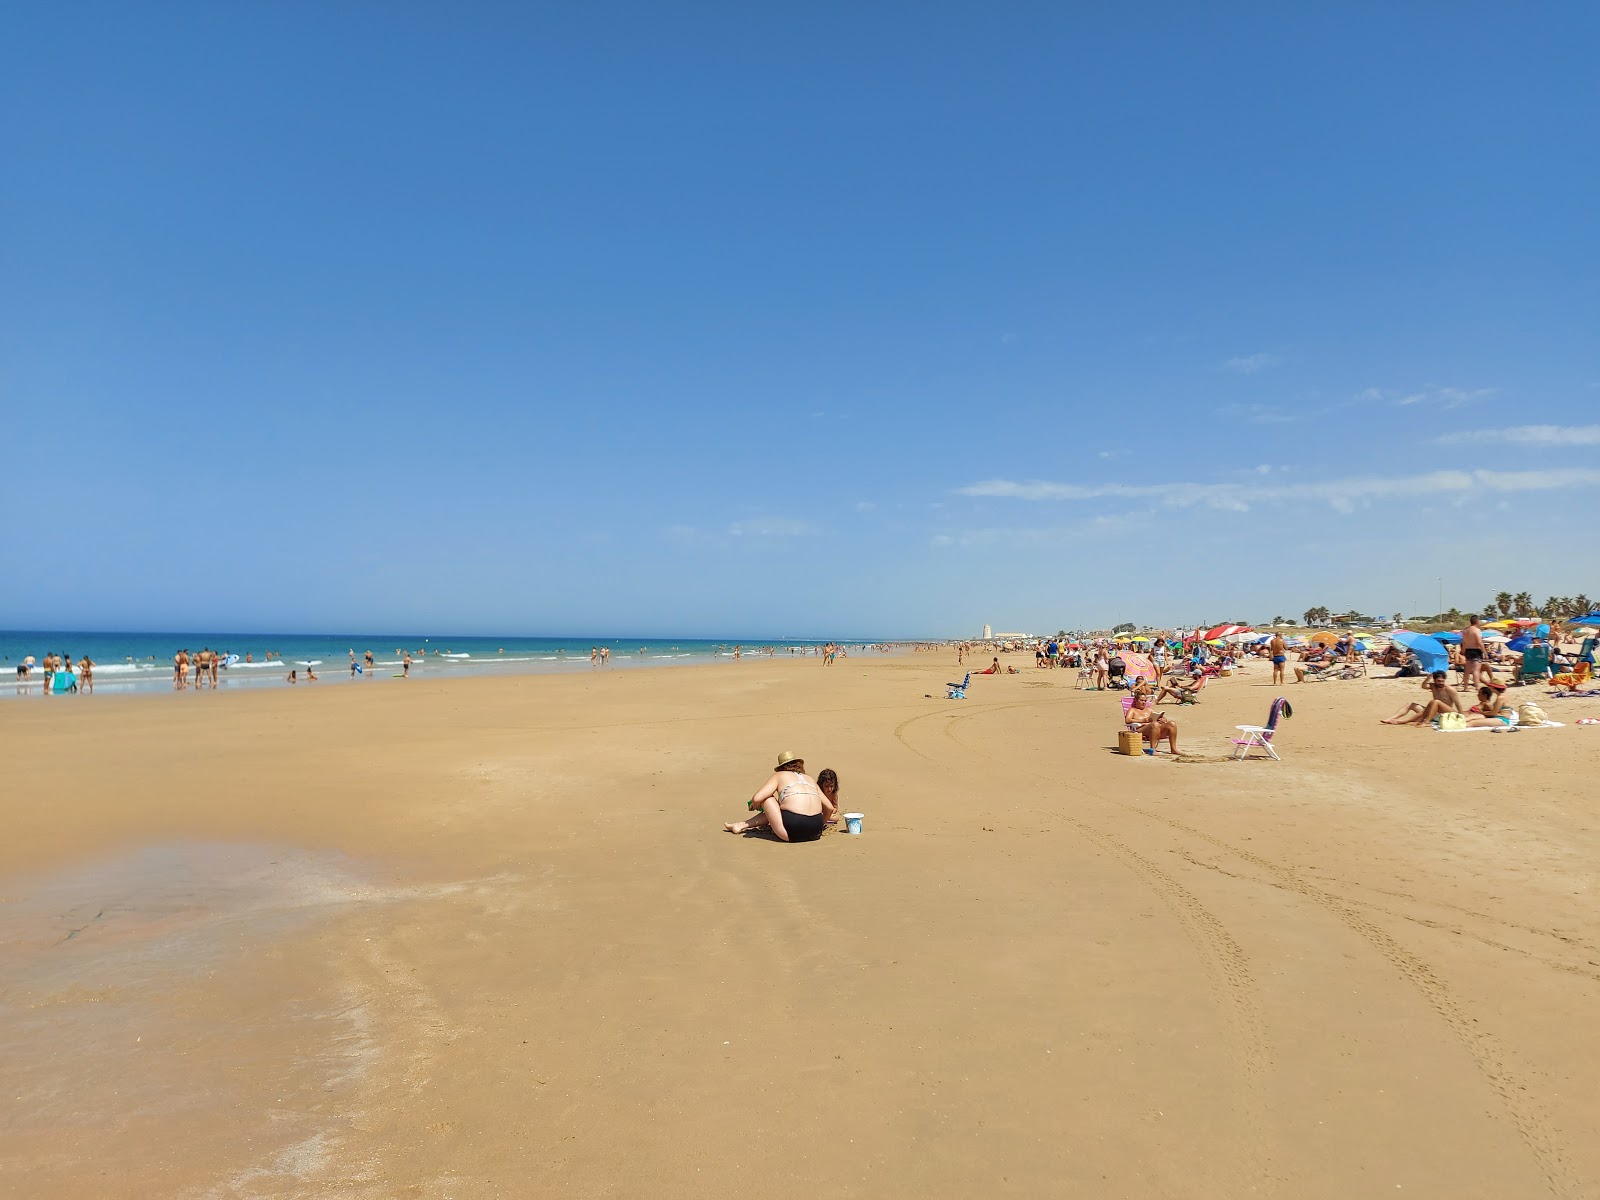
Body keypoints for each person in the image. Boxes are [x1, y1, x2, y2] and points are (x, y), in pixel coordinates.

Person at [723, 752, 835, 842]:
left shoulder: (779, 775)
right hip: (815, 833)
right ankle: (740, 825)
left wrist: (756, 805)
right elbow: (829, 808)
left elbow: (757, 798)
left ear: (781, 767)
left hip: (792, 834)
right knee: (781, 809)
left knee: (767, 799)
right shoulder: (809, 778)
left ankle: (741, 825)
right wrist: (820, 825)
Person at [1381, 671, 1463, 725]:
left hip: (1445, 713)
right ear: (1434, 680)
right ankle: (1391, 718)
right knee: (1410, 704)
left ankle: (1404, 721)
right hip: (1434, 712)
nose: (1441, 683)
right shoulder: (1433, 686)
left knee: (1436, 702)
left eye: (1442, 681)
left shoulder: (1450, 689)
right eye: (1438, 681)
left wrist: (1461, 716)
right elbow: (1424, 686)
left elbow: (1458, 703)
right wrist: (1427, 679)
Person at [1462, 615, 1486, 689]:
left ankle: (1465, 687)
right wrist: (1484, 652)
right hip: (1476, 650)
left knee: (1467, 670)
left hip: (1468, 650)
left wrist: (1464, 650)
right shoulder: (1476, 630)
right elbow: (1479, 642)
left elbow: (1463, 642)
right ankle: (1476, 686)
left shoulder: (1465, 630)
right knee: (1476, 670)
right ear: (1477, 621)